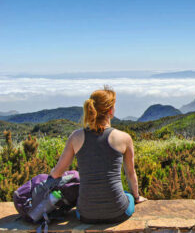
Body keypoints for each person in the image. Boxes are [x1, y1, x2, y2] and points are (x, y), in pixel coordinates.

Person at [49, 85, 147, 224]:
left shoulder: (75, 137)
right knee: (128, 196)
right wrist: (136, 197)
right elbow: (130, 174)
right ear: (111, 111)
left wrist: (49, 176)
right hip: (118, 212)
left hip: (85, 214)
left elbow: (57, 173)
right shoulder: (124, 138)